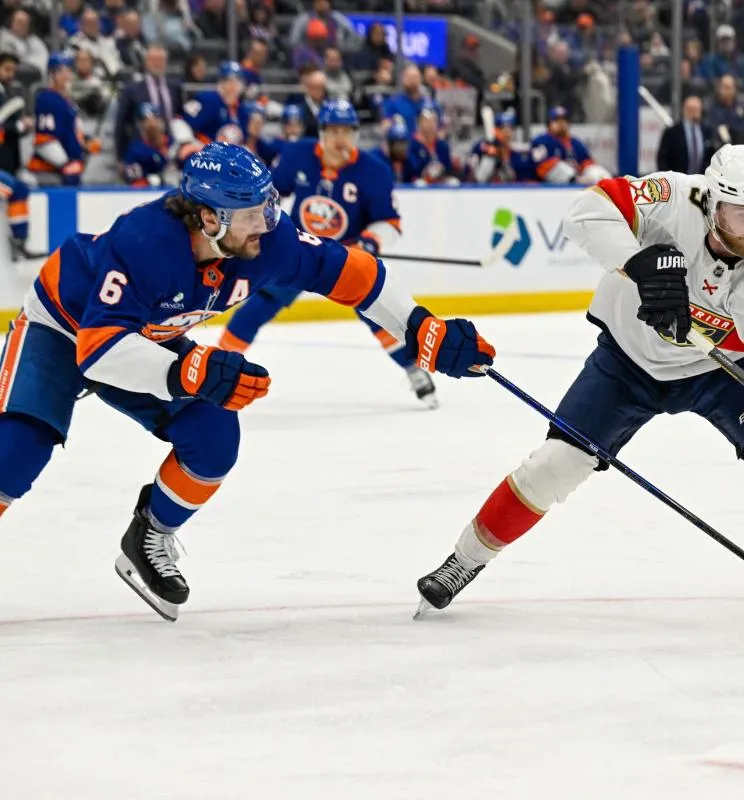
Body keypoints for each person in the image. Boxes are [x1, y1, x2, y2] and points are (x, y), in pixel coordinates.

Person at [414, 144, 744, 620]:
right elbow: (585, 212)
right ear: (713, 204)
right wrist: (640, 263)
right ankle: (464, 560)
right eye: (740, 214)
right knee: (553, 466)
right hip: (627, 362)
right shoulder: (674, 199)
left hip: (718, 373)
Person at [0, 143, 494, 620]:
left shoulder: (267, 243)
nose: (268, 221)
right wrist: (185, 370)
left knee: (214, 440)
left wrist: (419, 324)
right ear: (209, 218)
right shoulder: (146, 241)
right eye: (252, 212)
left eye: (267, 204)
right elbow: (98, 350)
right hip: (63, 327)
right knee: (17, 451)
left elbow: (352, 273)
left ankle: (148, 533)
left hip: (147, 336)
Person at [219, 101, 437, 408]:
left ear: (356, 134)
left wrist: (371, 241)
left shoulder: (374, 171)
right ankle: (220, 369)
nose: (339, 138)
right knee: (259, 307)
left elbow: (391, 222)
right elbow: (269, 193)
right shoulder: (298, 155)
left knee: (377, 315)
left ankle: (414, 371)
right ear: (320, 133)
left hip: (345, 256)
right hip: (298, 251)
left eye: (346, 131)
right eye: (332, 131)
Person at [29, 53, 101, 187]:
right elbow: (44, 139)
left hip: (68, 167)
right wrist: (65, 163)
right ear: (52, 75)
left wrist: (85, 141)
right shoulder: (46, 99)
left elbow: (70, 131)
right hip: (49, 171)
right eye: (62, 71)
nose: (67, 75)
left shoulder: (67, 101)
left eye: (69, 71)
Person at [0, 53, 33, 258]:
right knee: (18, 189)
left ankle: (19, 241)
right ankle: (18, 241)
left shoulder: (9, 92)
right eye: (6, 69)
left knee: (19, 188)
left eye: (13, 70)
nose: (11, 74)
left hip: (6, 161)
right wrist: (19, 125)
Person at [531, 105, 609, 185]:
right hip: (549, 186)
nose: (561, 124)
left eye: (564, 120)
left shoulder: (575, 142)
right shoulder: (541, 141)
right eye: (556, 120)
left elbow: (587, 162)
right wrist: (573, 178)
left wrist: (587, 175)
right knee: (560, 168)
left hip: (578, 180)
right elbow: (541, 168)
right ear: (549, 124)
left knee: (597, 172)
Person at [180, 61, 253, 145]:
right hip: (205, 154)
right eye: (228, 80)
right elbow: (182, 123)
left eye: (237, 81)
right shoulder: (208, 100)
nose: (233, 85)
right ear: (221, 82)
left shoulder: (242, 110)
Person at [467, 110, 536, 184]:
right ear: (495, 130)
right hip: (479, 191)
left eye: (510, 129)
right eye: (503, 129)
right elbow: (469, 173)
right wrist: (488, 156)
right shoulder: (480, 147)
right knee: (488, 161)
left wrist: (503, 160)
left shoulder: (515, 155)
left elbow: (523, 180)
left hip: (505, 192)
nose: (507, 133)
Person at [656, 95, 715, 174]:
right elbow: (662, 159)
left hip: (701, 180)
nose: (693, 112)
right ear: (683, 110)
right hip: (678, 179)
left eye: (696, 109)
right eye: (690, 109)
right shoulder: (672, 131)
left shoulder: (707, 131)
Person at [121, 102, 175, 187]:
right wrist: (155, 180)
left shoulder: (174, 142)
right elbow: (134, 182)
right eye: (146, 121)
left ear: (161, 121)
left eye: (154, 119)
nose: (152, 125)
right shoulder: (136, 150)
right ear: (140, 125)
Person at [407, 108, 460, 187]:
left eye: (432, 121)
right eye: (426, 121)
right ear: (419, 124)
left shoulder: (442, 146)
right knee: (420, 184)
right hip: (421, 179)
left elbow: (448, 168)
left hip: (440, 180)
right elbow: (412, 169)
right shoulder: (412, 145)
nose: (429, 125)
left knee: (454, 182)